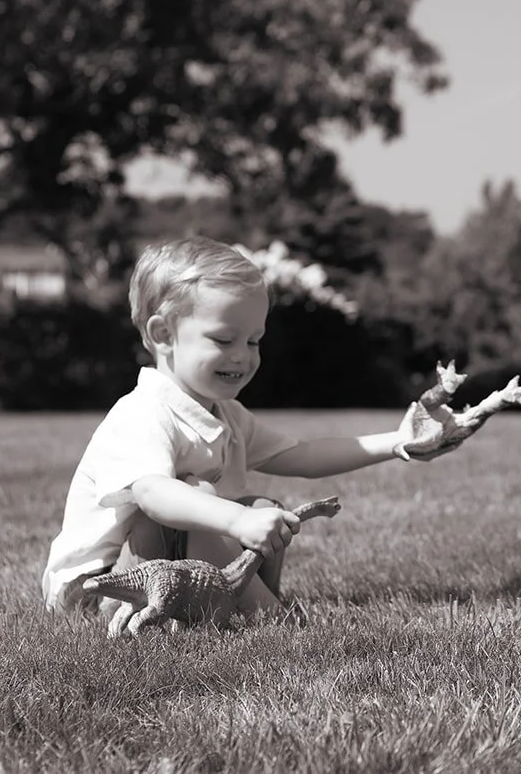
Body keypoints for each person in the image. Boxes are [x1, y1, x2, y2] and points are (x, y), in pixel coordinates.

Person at [42, 236, 456, 632]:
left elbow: (303, 455)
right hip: (98, 592)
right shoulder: (144, 412)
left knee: (262, 504)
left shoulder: (226, 415)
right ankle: (269, 618)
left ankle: (235, 607)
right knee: (200, 493)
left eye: (254, 341)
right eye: (224, 339)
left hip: (159, 572)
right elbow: (153, 494)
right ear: (163, 334)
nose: (243, 355)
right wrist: (238, 519)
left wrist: (397, 442)